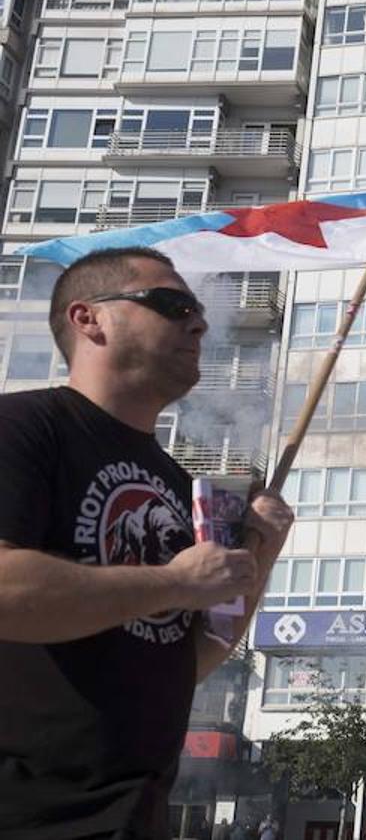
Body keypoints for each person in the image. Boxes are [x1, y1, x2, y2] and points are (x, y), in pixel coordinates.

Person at [0, 252, 292, 840]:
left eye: (200, 312)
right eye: (173, 305)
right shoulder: (22, 427)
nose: (199, 324)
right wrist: (177, 582)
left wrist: (259, 558)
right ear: (89, 319)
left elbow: (182, 662)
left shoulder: (181, 484)